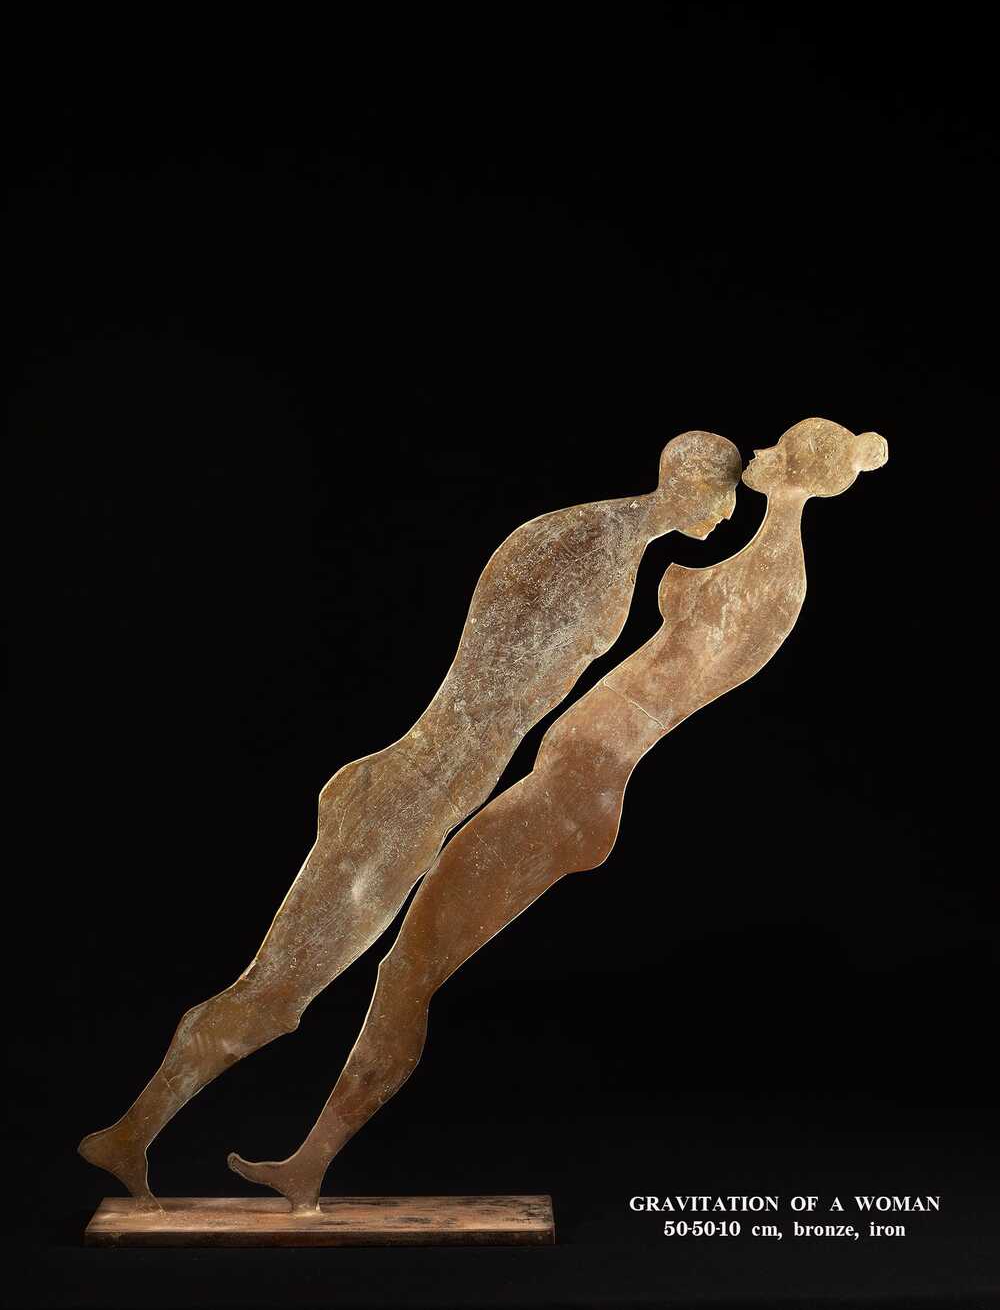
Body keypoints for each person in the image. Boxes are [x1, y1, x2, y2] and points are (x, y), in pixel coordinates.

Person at [228, 417, 887, 1212]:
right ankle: (308, 1163)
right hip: (569, 783)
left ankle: (311, 1163)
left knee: (407, 971)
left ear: (799, 476)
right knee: (405, 968)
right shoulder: (766, 566)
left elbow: (680, 669)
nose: (761, 454)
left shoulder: (772, 579)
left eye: (778, 452)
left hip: (573, 794)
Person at [80, 430, 742, 1204]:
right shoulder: (578, 540)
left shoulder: (610, 546)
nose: (730, 514)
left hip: (425, 801)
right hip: (403, 802)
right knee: (277, 995)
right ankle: (127, 1135)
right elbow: (487, 687)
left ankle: (141, 1137)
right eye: (729, 495)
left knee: (287, 994)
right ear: (696, 484)